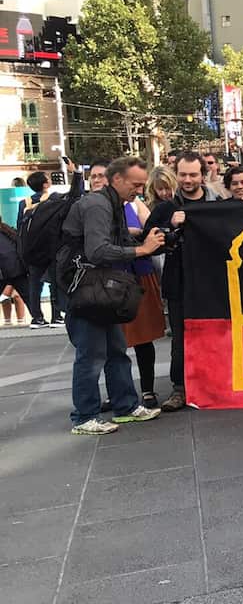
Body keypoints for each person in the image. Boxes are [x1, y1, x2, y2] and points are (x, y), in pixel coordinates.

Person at [61, 156, 166, 434]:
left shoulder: (115, 202)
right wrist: (142, 250)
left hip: (101, 289)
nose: (140, 191)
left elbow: (118, 242)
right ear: (116, 179)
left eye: (142, 185)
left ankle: (125, 407)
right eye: (136, 184)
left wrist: (151, 241)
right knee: (91, 355)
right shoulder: (97, 204)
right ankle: (84, 417)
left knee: (116, 351)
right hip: (86, 290)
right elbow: (97, 251)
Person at [143, 153, 223, 413]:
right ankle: (180, 388)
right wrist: (169, 227)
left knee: (214, 333)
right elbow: (149, 243)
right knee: (180, 336)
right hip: (179, 282)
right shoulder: (166, 208)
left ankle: (214, 383)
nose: (188, 180)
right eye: (183, 174)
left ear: (203, 175)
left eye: (193, 175)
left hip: (212, 283)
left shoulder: (217, 203)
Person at [121, 182, 165, 409]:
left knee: (143, 336)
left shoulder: (135, 204)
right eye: (95, 177)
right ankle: (118, 391)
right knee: (114, 341)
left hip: (139, 274)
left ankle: (147, 389)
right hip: (112, 278)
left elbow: (152, 228)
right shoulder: (94, 207)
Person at [19, 171, 64, 329]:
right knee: (54, 283)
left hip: (31, 251)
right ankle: (56, 316)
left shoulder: (24, 202)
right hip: (50, 249)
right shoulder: (54, 199)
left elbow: (20, 229)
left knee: (34, 284)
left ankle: (37, 318)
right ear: (45, 184)